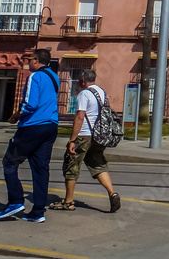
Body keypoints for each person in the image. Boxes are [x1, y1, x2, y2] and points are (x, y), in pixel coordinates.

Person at [0, 49, 59, 223]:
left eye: (30, 59)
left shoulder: (34, 77)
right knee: (41, 168)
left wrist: (15, 116)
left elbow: (30, 104)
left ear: (36, 60)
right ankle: (38, 211)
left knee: (9, 162)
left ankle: (15, 202)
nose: (28, 62)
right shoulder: (54, 77)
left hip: (32, 126)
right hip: (51, 126)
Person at [50, 69, 121, 213]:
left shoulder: (84, 94)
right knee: (98, 164)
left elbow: (80, 117)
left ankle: (68, 202)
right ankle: (112, 193)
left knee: (71, 165)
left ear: (82, 81)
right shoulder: (102, 92)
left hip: (84, 135)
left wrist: (72, 140)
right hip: (99, 136)